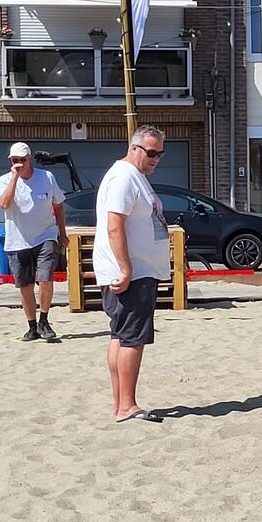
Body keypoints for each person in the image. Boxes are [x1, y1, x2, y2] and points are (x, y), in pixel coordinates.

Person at [94, 126, 172, 423]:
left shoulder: (132, 177)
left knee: (120, 335)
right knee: (131, 339)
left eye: (160, 153)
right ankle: (127, 404)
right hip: (131, 271)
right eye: (151, 152)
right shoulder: (124, 177)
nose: (155, 159)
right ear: (134, 148)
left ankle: (120, 403)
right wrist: (126, 269)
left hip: (136, 269)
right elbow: (115, 225)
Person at [0, 142, 68, 342]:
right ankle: (32, 326)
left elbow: (59, 206)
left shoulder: (46, 177)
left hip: (45, 235)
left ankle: (44, 319)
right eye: (14, 160)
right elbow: (4, 204)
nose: (18, 164)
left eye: (22, 160)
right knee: (25, 285)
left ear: (30, 159)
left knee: (45, 278)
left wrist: (62, 233)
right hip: (17, 240)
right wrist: (14, 178)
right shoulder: (4, 180)